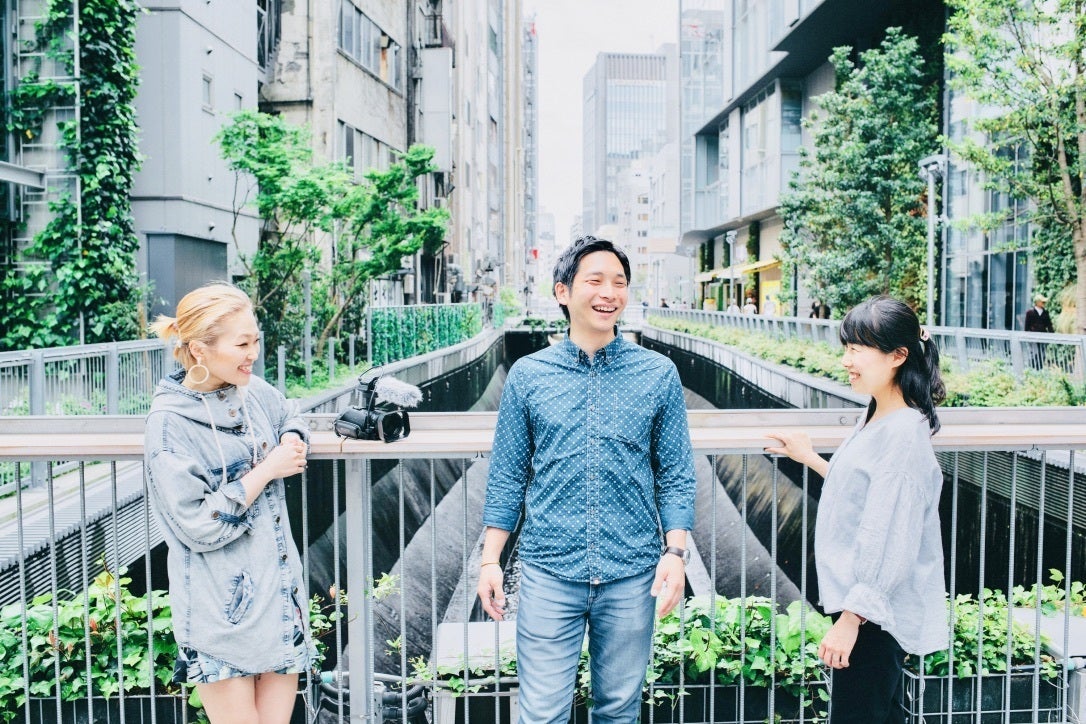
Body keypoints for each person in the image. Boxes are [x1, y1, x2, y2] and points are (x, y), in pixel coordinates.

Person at [477, 235, 697, 723]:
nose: (608, 293)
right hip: (549, 570)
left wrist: (675, 553)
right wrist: (491, 560)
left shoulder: (658, 374)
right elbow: (508, 474)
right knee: (542, 713)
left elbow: (676, 474)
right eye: (595, 280)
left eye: (619, 282)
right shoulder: (528, 375)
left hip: (632, 572)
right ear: (563, 292)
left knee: (618, 711)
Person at [765, 296, 948, 723]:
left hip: (872, 617)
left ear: (898, 356)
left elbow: (890, 534)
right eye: (846, 348)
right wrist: (810, 458)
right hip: (869, 610)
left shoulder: (902, 434)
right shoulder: (880, 415)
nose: (846, 360)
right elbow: (865, 495)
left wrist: (851, 619)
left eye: (857, 349)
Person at [145, 283, 313, 724]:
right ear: (199, 349)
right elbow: (199, 525)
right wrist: (267, 469)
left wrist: (292, 438)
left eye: (255, 340)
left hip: (279, 598)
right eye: (241, 344)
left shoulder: (251, 391)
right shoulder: (169, 425)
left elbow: (290, 413)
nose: (253, 353)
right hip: (221, 614)